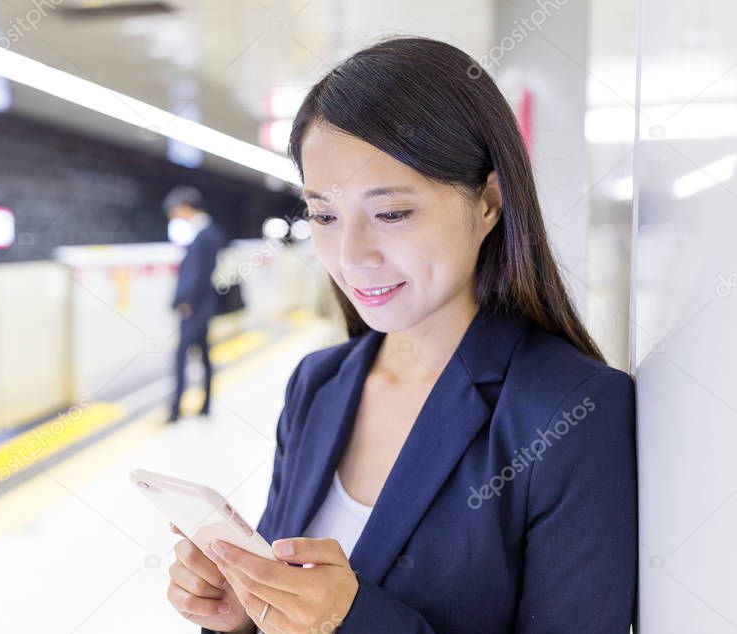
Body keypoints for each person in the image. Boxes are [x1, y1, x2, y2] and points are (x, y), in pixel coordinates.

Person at [166, 36, 637, 633]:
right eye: (324, 215)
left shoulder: (570, 412)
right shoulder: (320, 384)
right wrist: (246, 615)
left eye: (390, 213)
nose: (352, 255)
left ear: (488, 202)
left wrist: (354, 619)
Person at [163, 185, 226, 424]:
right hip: (205, 305)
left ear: (186, 207)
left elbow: (196, 274)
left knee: (181, 356)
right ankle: (206, 404)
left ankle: (175, 409)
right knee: (204, 355)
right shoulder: (211, 232)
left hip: (195, 307)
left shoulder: (202, 235)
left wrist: (185, 302)